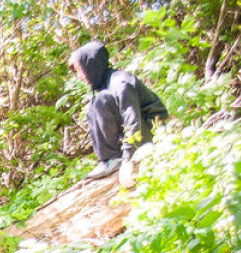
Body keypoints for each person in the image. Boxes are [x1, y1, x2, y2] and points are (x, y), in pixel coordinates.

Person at [68, 41, 168, 180]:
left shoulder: (120, 83)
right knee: (93, 106)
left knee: (101, 101)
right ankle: (109, 160)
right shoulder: (107, 83)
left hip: (153, 131)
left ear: (91, 65)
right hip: (141, 132)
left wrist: (128, 160)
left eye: (79, 70)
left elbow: (132, 120)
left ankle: (116, 160)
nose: (79, 76)